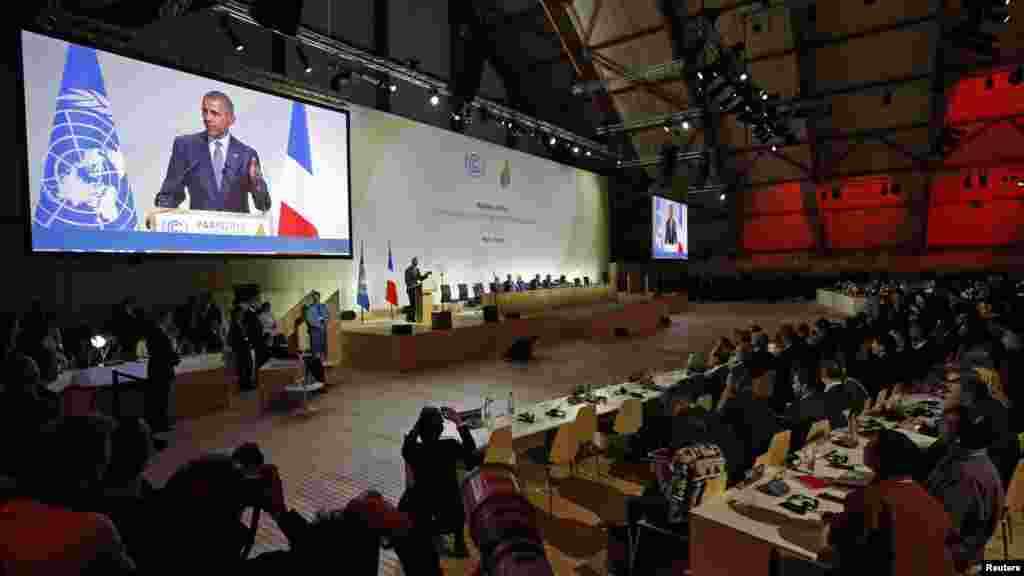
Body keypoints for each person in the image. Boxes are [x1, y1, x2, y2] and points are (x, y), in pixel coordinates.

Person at [0, 414, 136, 576]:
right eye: (102, 463)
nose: (104, 472)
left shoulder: (7, 515)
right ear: (87, 470)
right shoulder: (96, 529)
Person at [821, 429, 955, 576]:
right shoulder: (931, 503)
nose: (864, 447)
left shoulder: (868, 499)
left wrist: (828, 525)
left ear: (879, 460)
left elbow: (837, 541)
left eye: (869, 445)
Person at [154, 91, 270, 214]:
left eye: (214, 113)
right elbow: (170, 194)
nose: (207, 118)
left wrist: (257, 183)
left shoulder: (247, 155)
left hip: (236, 231)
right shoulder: (186, 146)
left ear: (231, 119)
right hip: (200, 229)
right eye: (205, 112)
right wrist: (161, 215)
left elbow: (263, 205)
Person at [925, 399, 1005, 572]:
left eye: (945, 424)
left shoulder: (965, 476)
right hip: (954, 546)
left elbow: (944, 528)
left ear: (958, 436)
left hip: (951, 556)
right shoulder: (967, 457)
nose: (938, 425)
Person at [400, 406, 482, 558]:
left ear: (420, 428)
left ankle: (430, 541)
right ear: (441, 428)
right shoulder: (449, 446)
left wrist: (418, 427)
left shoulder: (413, 450)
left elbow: (407, 444)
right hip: (451, 514)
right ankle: (459, 542)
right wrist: (458, 421)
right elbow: (471, 458)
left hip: (425, 514)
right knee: (456, 497)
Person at [145, 310, 180, 435]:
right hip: (161, 370)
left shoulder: (157, 333)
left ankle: (161, 424)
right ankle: (159, 425)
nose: (171, 320)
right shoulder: (158, 334)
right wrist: (175, 356)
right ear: (164, 319)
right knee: (160, 399)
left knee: (161, 399)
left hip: (158, 369)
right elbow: (164, 354)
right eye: (169, 318)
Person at [229, 307, 254, 391]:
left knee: (248, 366)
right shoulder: (233, 325)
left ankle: (248, 383)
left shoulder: (242, 323)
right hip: (240, 349)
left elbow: (245, 334)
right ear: (236, 314)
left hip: (246, 347)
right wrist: (240, 344)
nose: (242, 315)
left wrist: (248, 341)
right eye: (240, 313)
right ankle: (243, 385)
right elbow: (232, 339)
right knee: (242, 367)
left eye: (242, 313)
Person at [303, 291, 328, 363]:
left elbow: (327, 316)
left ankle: (323, 360)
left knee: (322, 345)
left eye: (317, 298)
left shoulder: (323, 306)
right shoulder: (309, 308)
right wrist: (318, 323)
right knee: (315, 347)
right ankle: (316, 362)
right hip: (314, 330)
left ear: (319, 298)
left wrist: (324, 320)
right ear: (313, 298)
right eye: (314, 298)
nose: (316, 299)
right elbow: (309, 319)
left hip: (323, 329)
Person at [404, 258, 430, 323]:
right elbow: (407, 280)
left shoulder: (417, 269)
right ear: (412, 262)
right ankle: (410, 318)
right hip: (410, 289)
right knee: (412, 304)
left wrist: (426, 275)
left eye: (417, 261)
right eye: (415, 261)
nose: (416, 262)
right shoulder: (408, 270)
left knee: (415, 304)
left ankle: (411, 318)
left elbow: (420, 278)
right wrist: (413, 285)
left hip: (416, 289)